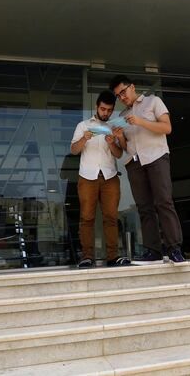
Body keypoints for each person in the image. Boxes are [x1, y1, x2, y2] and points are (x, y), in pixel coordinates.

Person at [109, 75, 185, 264]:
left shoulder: (153, 101)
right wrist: (120, 138)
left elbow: (167, 128)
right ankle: (153, 251)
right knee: (144, 208)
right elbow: (127, 147)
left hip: (157, 157)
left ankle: (174, 249)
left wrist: (140, 121)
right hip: (135, 163)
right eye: (118, 96)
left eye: (123, 92)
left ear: (132, 87)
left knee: (164, 202)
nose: (122, 97)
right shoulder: (121, 117)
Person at [70, 90, 131, 268]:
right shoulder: (83, 125)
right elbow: (74, 150)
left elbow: (119, 154)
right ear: (97, 106)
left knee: (111, 217)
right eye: (103, 109)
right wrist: (84, 139)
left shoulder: (114, 127)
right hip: (87, 177)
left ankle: (113, 256)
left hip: (110, 176)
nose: (106, 113)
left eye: (109, 110)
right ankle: (87, 256)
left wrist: (113, 142)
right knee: (87, 217)